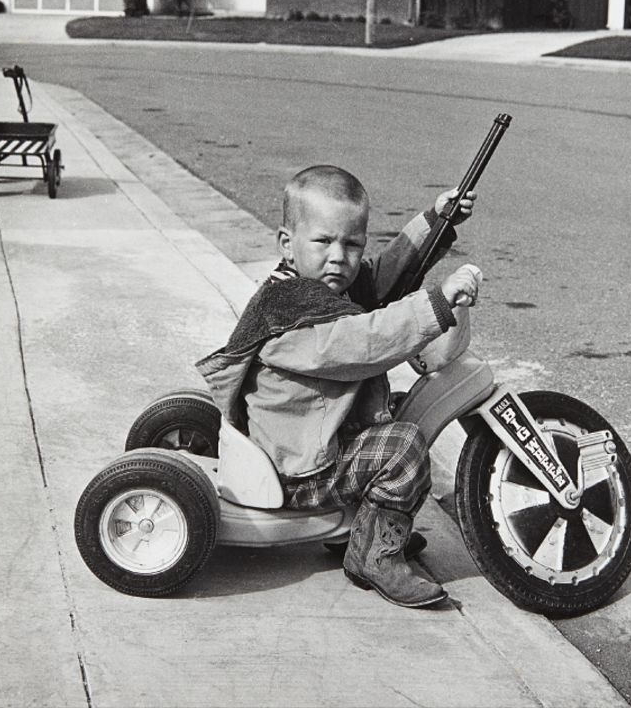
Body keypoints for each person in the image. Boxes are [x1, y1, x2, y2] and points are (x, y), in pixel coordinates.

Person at [196, 165, 480, 607]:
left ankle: (365, 526)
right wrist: (436, 305)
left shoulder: (314, 287)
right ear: (287, 244)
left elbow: (382, 277)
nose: (339, 257)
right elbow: (365, 342)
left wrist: (434, 223)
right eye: (323, 241)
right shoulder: (289, 316)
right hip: (298, 469)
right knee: (404, 445)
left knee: (400, 410)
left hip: (312, 440)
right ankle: (371, 554)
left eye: (352, 244)